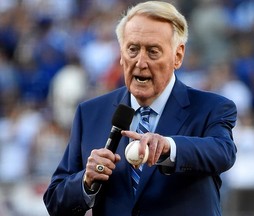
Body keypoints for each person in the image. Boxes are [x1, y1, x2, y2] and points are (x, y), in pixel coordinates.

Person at [43, 1, 237, 216]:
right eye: (133, 49)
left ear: (178, 56)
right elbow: (55, 201)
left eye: (153, 51)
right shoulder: (90, 113)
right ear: (121, 54)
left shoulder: (212, 107)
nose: (140, 62)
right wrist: (86, 182)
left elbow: (223, 152)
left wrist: (169, 147)